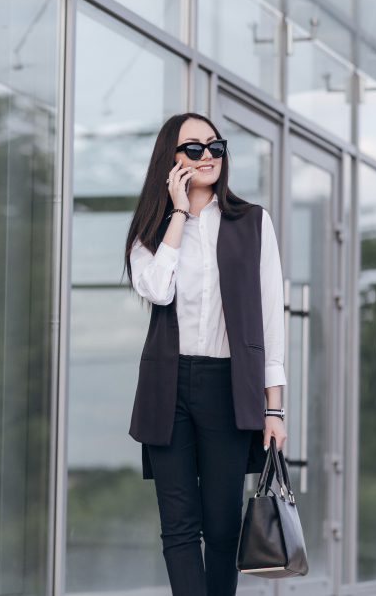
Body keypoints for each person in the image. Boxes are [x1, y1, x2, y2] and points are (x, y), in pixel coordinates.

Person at [124, 113, 287, 596]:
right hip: (167, 387)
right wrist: (177, 214)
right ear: (170, 162)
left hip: (227, 386)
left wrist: (273, 407)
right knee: (178, 527)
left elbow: (270, 324)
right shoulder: (149, 232)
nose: (208, 155)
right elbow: (156, 289)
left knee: (220, 528)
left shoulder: (252, 223)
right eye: (193, 148)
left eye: (215, 146)